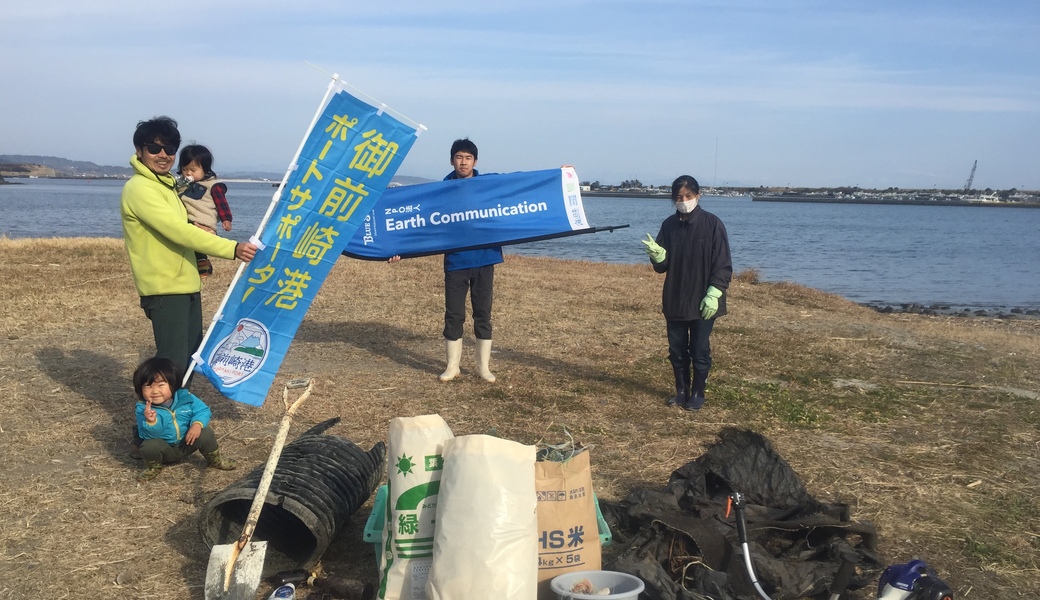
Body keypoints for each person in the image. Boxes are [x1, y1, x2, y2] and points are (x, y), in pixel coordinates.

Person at [120, 116, 257, 380]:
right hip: (165, 287)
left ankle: (181, 417)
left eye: (170, 149)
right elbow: (180, 232)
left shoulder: (169, 185)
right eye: (154, 148)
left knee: (190, 360)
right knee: (171, 363)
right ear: (139, 150)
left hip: (186, 283)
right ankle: (154, 419)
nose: (163, 155)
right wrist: (232, 249)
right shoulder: (140, 189)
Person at [642, 175, 732, 411]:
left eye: (688, 196)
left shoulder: (713, 224)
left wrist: (714, 293)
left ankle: (697, 393)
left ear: (698, 196)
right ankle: (681, 391)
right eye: (679, 197)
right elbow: (662, 267)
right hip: (676, 299)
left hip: (704, 300)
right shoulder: (669, 226)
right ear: (674, 200)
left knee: (699, 350)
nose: (684, 201)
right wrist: (658, 255)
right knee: (676, 350)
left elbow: (723, 264)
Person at [438, 138, 503, 383]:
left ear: (475, 161)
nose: (463, 162)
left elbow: (520, 184)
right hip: (456, 260)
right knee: (454, 314)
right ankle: (452, 366)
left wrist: (559, 176)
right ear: (452, 160)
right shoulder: (440, 190)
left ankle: (482, 367)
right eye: (459, 157)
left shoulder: (487, 185)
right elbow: (418, 220)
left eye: (468, 158)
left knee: (482, 313)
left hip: (485, 258)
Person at [132, 357, 237, 481]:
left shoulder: (185, 397)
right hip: (165, 450)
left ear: (173, 384)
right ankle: (154, 467)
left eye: (161, 385)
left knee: (206, 433)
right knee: (149, 446)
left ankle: (215, 460)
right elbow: (147, 435)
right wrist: (151, 421)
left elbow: (202, 410)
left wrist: (197, 425)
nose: (155, 391)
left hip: (186, 443)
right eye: (148, 386)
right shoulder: (142, 408)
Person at [177, 144, 234, 278]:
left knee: (197, 245)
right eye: (185, 169)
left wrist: (226, 219)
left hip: (202, 220)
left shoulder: (213, 186)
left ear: (205, 169)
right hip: (188, 220)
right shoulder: (182, 184)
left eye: (193, 170)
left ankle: (203, 264)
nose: (188, 173)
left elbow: (222, 203)